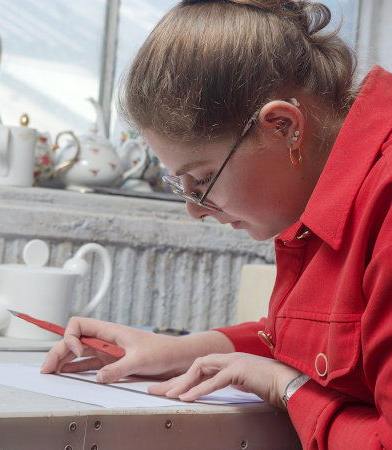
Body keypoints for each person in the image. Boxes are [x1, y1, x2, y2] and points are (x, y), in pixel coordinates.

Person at [41, 1, 392, 448]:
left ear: (283, 126)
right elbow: (320, 337)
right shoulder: (330, 189)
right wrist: (180, 350)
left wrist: (286, 388)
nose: (195, 209)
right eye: (179, 183)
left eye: (203, 179)